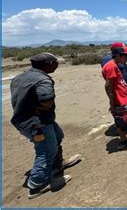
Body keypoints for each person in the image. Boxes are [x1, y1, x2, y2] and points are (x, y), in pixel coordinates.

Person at [10, 53, 81, 199]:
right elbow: (46, 101)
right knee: (46, 150)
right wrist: (33, 109)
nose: (57, 65)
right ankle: (37, 185)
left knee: (58, 136)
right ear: (48, 64)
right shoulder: (43, 80)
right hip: (36, 122)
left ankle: (56, 165)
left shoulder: (20, 77)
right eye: (56, 62)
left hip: (31, 120)